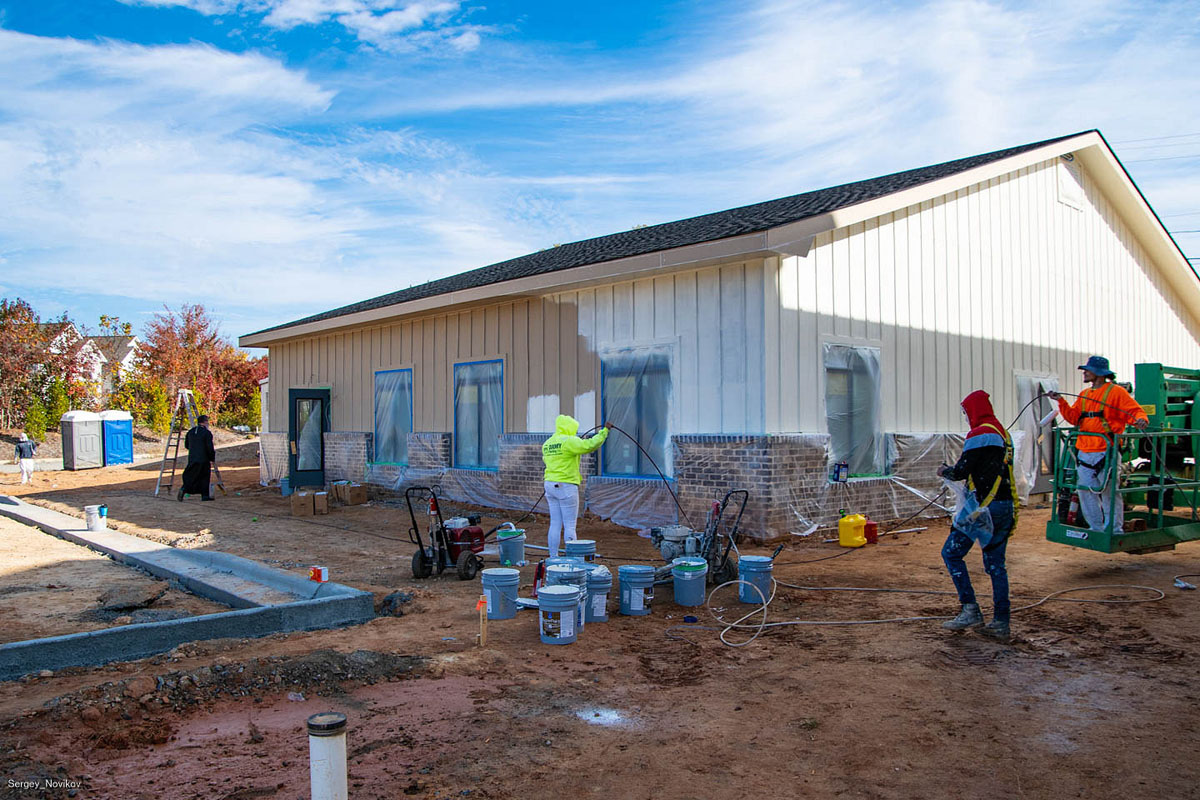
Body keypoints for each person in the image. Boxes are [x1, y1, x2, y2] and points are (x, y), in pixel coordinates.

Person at [937, 390, 1019, 640]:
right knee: (996, 565)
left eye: (965, 412)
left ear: (972, 410)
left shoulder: (979, 433)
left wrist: (944, 471)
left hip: (983, 509)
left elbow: (961, 470)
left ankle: (970, 609)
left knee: (951, 552)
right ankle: (1001, 622)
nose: (965, 417)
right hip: (1005, 506)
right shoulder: (1002, 434)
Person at [1048, 355, 1148, 533]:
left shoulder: (1116, 392)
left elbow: (1134, 411)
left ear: (1099, 374)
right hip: (1085, 452)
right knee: (1086, 492)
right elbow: (1073, 417)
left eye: (1088, 370)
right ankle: (1096, 528)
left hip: (1106, 451)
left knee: (1109, 492)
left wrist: (1140, 420)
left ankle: (1115, 529)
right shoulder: (1085, 395)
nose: (1084, 373)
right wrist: (1061, 401)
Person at [542, 415, 609, 556]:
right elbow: (591, 445)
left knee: (555, 523)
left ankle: (553, 557)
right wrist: (604, 431)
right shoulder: (569, 441)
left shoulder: (547, 443)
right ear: (570, 427)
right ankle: (571, 559)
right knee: (570, 525)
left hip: (549, 485)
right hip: (566, 486)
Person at [179, 415, 216, 502]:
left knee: (191, 476)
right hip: (204, 459)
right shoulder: (206, 433)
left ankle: (184, 488)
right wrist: (212, 457)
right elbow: (209, 447)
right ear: (205, 422)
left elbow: (187, 445)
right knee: (204, 477)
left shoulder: (191, 432)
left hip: (192, 458)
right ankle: (204, 495)